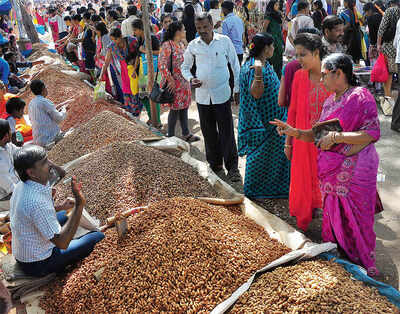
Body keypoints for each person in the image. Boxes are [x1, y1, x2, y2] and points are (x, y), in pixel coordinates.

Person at [271, 53, 381, 276]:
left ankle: (362, 262)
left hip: (357, 170)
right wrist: (293, 133)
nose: (321, 81)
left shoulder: (361, 97)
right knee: (335, 216)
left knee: (357, 219)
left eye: (324, 75)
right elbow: (317, 135)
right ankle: (340, 259)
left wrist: (339, 138)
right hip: (331, 172)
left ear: (339, 73)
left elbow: (371, 133)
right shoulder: (330, 101)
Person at [10, 145, 104, 277]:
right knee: (97, 237)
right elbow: (62, 243)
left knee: (64, 215)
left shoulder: (22, 185)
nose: (50, 165)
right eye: (44, 163)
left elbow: (34, 215)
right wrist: (79, 205)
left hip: (26, 250)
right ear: (31, 173)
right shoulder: (36, 202)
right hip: (38, 263)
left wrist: (61, 206)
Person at [181, 14, 241, 183]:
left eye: (205, 27)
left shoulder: (224, 41)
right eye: (199, 28)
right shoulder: (193, 45)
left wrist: (237, 88)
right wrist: (190, 79)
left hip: (222, 94)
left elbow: (235, 65)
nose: (202, 31)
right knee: (208, 132)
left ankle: (233, 167)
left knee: (226, 131)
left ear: (212, 25)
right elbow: (184, 67)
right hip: (202, 97)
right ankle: (215, 165)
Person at [285, 32, 331, 231]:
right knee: (303, 180)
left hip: (328, 142)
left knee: (328, 181)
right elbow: (293, 110)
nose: (298, 60)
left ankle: (332, 222)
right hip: (302, 141)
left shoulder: (332, 75)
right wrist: (288, 142)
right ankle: (305, 219)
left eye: (303, 54)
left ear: (317, 52)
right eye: (296, 55)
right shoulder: (298, 76)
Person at [238, 33, 289, 198]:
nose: (274, 49)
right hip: (263, 121)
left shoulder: (263, 62)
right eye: (272, 46)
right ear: (265, 48)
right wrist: (259, 74)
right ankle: (254, 190)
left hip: (273, 118)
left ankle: (274, 188)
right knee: (259, 155)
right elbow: (256, 93)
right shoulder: (255, 66)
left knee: (274, 156)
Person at [159, 21, 200, 143]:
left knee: (184, 107)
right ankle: (170, 136)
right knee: (175, 109)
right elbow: (162, 65)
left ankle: (186, 133)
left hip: (184, 82)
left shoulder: (181, 44)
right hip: (175, 83)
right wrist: (170, 80)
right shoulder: (167, 45)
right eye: (183, 29)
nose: (185, 31)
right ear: (177, 32)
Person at [100, 27, 141, 115]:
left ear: (121, 36)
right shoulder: (111, 47)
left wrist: (134, 68)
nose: (114, 41)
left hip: (135, 69)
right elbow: (106, 62)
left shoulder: (131, 41)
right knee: (127, 91)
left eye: (115, 39)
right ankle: (131, 113)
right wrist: (101, 75)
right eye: (112, 39)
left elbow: (138, 55)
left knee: (136, 90)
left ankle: (137, 112)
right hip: (124, 71)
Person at [132, 19, 162, 126]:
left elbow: (159, 52)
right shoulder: (140, 39)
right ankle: (151, 117)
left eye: (135, 30)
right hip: (142, 71)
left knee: (153, 95)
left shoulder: (152, 38)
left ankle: (157, 121)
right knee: (144, 97)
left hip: (152, 71)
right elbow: (138, 55)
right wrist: (135, 70)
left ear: (141, 29)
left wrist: (145, 50)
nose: (134, 32)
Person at [28, 80, 67, 147]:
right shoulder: (44, 101)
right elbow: (59, 118)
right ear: (43, 89)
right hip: (50, 138)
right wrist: (64, 110)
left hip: (38, 140)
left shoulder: (31, 103)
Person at [377, 0, 400, 116]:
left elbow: (381, 29)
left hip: (390, 47)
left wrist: (378, 44)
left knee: (389, 75)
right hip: (398, 48)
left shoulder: (390, 11)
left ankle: (389, 100)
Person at [0, 119, 19, 212]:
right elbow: (11, 188)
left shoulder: (7, 146)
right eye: (10, 130)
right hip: (4, 198)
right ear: (7, 135)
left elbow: (22, 152)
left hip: (15, 189)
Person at [264, 0, 284, 78]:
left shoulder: (277, 15)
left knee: (279, 60)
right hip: (271, 40)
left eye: (278, 5)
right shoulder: (268, 15)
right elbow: (264, 28)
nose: (278, 6)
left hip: (278, 39)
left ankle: (278, 78)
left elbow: (281, 26)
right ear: (272, 5)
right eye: (276, 5)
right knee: (270, 59)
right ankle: (269, 78)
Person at [364, 2, 383, 71]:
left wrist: (372, 45)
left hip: (375, 45)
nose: (365, 14)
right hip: (382, 44)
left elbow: (372, 34)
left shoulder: (370, 18)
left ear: (369, 10)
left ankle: (376, 80)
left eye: (365, 12)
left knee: (375, 65)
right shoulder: (381, 16)